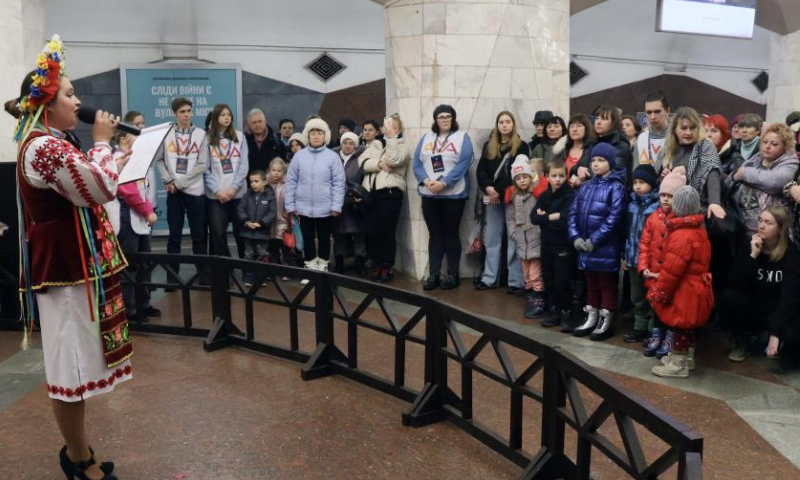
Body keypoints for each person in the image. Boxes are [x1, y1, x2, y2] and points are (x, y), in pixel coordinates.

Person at [8, 35, 130, 480]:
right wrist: (103, 144)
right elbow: (98, 188)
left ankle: (80, 452)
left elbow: (94, 182)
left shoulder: (52, 141)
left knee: (77, 363)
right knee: (69, 367)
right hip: (60, 273)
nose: (78, 102)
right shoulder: (43, 146)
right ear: (46, 103)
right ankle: (79, 460)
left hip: (72, 268)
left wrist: (110, 154)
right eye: (70, 93)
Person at [648, 186, 714, 378]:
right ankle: (687, 357)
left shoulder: (682, 235)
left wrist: (660, 292)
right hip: (697, 287)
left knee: (679, 326)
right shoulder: (699, 230)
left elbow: (671, 271)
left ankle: (678, 364)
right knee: (687, 326)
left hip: (684, 290)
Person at [721, 206, 800, 365]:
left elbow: (789, 297)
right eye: (760, 221)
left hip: (777, 309)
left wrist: (775, 332)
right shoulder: (749, 245)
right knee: (729, 297)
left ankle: (776, 339)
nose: (761, 226)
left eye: (768, 223)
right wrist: (752, 257)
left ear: (780, 229)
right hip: (754, 306)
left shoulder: (791, 253)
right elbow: (735, 284)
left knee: (791, 352)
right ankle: (743, 339)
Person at [568, 143, 627, 341]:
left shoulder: (616, 187)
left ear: (610, 163)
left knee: (606, 284)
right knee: (591, 283)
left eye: (601, 160)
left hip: (604, 247)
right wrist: (575, 236)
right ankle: (591, 317)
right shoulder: (585, 186)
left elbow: (613, 218)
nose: (595, 164)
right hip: (585, 246)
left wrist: (595, 239)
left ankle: (606, 320)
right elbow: (573, 212)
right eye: (593, 160)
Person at [413, 104, 475, 290]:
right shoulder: (426, 138)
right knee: (435, 235)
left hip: (453, 195)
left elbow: (464, 162)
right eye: (441, 117)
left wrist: (444, 182)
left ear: (453, 119)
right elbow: (416, 163)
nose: (445, 119)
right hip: (429, 194)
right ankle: (434, 275)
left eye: (448, 116)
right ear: (436, 120)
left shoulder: (462, 137)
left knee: (450, 234)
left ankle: (453, 274)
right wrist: (426, 180)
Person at [475, 111, 531, 293]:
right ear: (497, 125)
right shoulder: (489, 145)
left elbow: (520, 173)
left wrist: (498, 191)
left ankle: (515, 281)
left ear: (513, 124)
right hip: (492, 197)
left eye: (508, 121)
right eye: (501, 122)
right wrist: (488, 188)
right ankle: (489, 278)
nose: (504, 125)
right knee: (491, 238)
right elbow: (481, 170)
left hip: (513, 197)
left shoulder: (521, 146)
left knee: (513, 238)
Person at [154, 97, 209, 281]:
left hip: (195, 192)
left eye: (188, 111)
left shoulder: (201, 134)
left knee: (199, 237)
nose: (186, 115)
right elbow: (159, 160)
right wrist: (168, 179)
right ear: (174, 113)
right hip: (174, 193)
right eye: (182, 112)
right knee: (174, 237)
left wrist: (179, 183)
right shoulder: (167, 133)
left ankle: (202, 275)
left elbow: (202, 165)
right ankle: (172, 278)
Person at [114, 111, 160, 321]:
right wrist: (147, 211)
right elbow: (127, 190)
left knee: (145, 263)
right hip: (126, 217)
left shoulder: (135, 157)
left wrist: (148, 209)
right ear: (124, 138)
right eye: (135, 132)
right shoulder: (117, 158)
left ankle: (144, 303)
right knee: (129, 265)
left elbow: (143, 188)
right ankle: (130, 310)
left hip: (140, 217)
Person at [285, 117, 346, 272]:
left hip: (326, 208)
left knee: (325, 238)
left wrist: (336, 206)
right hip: (303, 207)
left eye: (320, 132)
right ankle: (311, 267)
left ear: (325, 135)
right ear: (308, 136)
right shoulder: (299, 156)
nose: (316, 136)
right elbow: (291, 181)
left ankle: (323, 265)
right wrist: (290, 205)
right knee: (307, 239)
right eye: (313, 133)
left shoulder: (332, 156)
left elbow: (339, 182)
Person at [639, 169, 687, 358]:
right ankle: (657, 334)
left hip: (669, 274)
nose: (665, 199)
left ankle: (669, 336)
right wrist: (643, 267)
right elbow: (644, 244)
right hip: (654, 273)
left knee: (671, 306)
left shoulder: (681, 220)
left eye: (670, 196)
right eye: (663, 195)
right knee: (657, 305)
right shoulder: (653, 218)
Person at [359, 114, 411, 283]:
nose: (389, 130)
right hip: (370, 195)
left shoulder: (402, 146)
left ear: (399, 130)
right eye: (387, 126)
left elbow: (394, 159)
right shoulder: (375, 144)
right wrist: (379, 164)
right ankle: (375, 264)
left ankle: (386, 267)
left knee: (386, 232)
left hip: (389, 195)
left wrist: (391, 138)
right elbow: (362, 162)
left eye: (393, 127)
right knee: (372, 232)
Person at [654, 106, 726, 222]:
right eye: (684, 128)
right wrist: (663, 177)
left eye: (692, 128)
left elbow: (713, 171)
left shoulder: (705, 145)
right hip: (669, 211)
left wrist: (714, 203)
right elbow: (656, 178)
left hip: (696, 210)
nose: (688, 132)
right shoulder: (667, 148)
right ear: (674, 129)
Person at [728, 122, 798, 237]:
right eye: (765, 142)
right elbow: (731, 180)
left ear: (785, 147)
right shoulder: (756, 158)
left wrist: (745, 174)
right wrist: (734, 176)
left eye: (774, 144)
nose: (767, 146)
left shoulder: (790, 161)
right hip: (744, 230)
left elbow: (777, 182)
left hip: (774, 236)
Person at [532, 160, 576, 332]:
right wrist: (552, 217)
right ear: (547, 177)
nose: (557, 179)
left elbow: (565, 221)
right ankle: (554, 310)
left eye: (561, 176)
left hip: (563, 244)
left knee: (562, 280)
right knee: (549, 278)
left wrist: (546, 218)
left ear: (566, 176)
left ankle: (566, 312)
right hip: (547, 244)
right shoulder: (544, 196)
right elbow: (534, 218)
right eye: (554, 176)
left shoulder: (570, 195)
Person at [204, 104, 249, 260]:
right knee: (218, 233)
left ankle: (247, 270)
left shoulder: (240, 137)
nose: (226, 117)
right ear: (216, 117)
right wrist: (217, 190)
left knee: (241, 233)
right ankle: (225, 272)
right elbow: (205, 168)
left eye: (229, 115)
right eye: (223, 114)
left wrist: (234, 188)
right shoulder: (207, 139)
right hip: (216, 196)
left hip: (237, 195)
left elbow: (244, 165)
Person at [622, 165, 660, 343]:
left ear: (651, 184)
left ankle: (654, 329)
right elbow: (626, 231)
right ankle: (640, 326)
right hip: (632, 258)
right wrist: (625, 255)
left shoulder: (657, 207)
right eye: (635, 182)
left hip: (651, 262)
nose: (638, 186)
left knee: (652, 295)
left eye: (642, 182)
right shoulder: (631, 204)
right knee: (636, 296)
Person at [505, 155, 545, 318]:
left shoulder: (536, 194)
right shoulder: (514, 197)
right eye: (518, 178)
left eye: (524, 177)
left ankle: (539, 300)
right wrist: (513, 233)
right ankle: (531, 297)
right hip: (521, 240)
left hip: (536, 238)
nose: (521, 181)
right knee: (526, 273)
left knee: (536, 273)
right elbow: (511, 218)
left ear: (530, 177)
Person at [333, 131, 368, 275]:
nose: (347, 146)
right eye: (345, 143)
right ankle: (339, 262)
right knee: (339, 233)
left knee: (358, 232)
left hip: (354, 201)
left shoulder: (360, 158)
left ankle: (360, 262)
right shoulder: (333, 157)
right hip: (337, 201)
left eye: (351, 143)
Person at [237, 169, 277, 286]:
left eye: (256, 181)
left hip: (262, 232)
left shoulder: (270, 196)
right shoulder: (247, 195)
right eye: (251, 182)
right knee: (248, 254)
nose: (253, 184)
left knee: (262, 255)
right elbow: (240, 209)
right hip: (247, 231)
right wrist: (246, 221)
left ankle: (261, 278)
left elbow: (272, 213)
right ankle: (248, 278)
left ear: (264, 182)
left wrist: (261, 223)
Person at [576, 106, 632, 183]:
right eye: (597, 118)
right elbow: (577, 167)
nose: (598, 122)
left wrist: (586, 176)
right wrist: (579, 169)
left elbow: (615, 175)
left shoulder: (620, 146)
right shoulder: (591, 143)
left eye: (604, 119)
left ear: (614, 123)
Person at [634, 91, 671, 168]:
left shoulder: (677, 137)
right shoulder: (641, 139)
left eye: (657, 111)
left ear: (667, 111)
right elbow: (635, 172)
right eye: (649, 112)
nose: (653, 117)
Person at [266, 158, 290, 267]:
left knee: (285, 246)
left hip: (283, 221)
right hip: (269, 223)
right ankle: (274, 269)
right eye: (273, 170)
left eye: (279, 171)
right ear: (269, 170)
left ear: (283, 172)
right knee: (272, 247)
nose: (276, 173)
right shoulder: (265, 185)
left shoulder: (287, 185)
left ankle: (286, 269)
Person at [560, 113, 595, 188]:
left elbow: (595, 173)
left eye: (579, 126)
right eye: (571, 126)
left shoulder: (592, 150)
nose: (574, 129)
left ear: (587, 129)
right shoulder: (563, 151)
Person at [244, 108, 280, 176]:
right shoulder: (243, 142)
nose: (257, 125)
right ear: (249, 125)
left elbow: (283, 164)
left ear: (265, 122)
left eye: (260, 121)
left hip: (271, 185)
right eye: (254, 122)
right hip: (250, 184)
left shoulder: (276, 141)